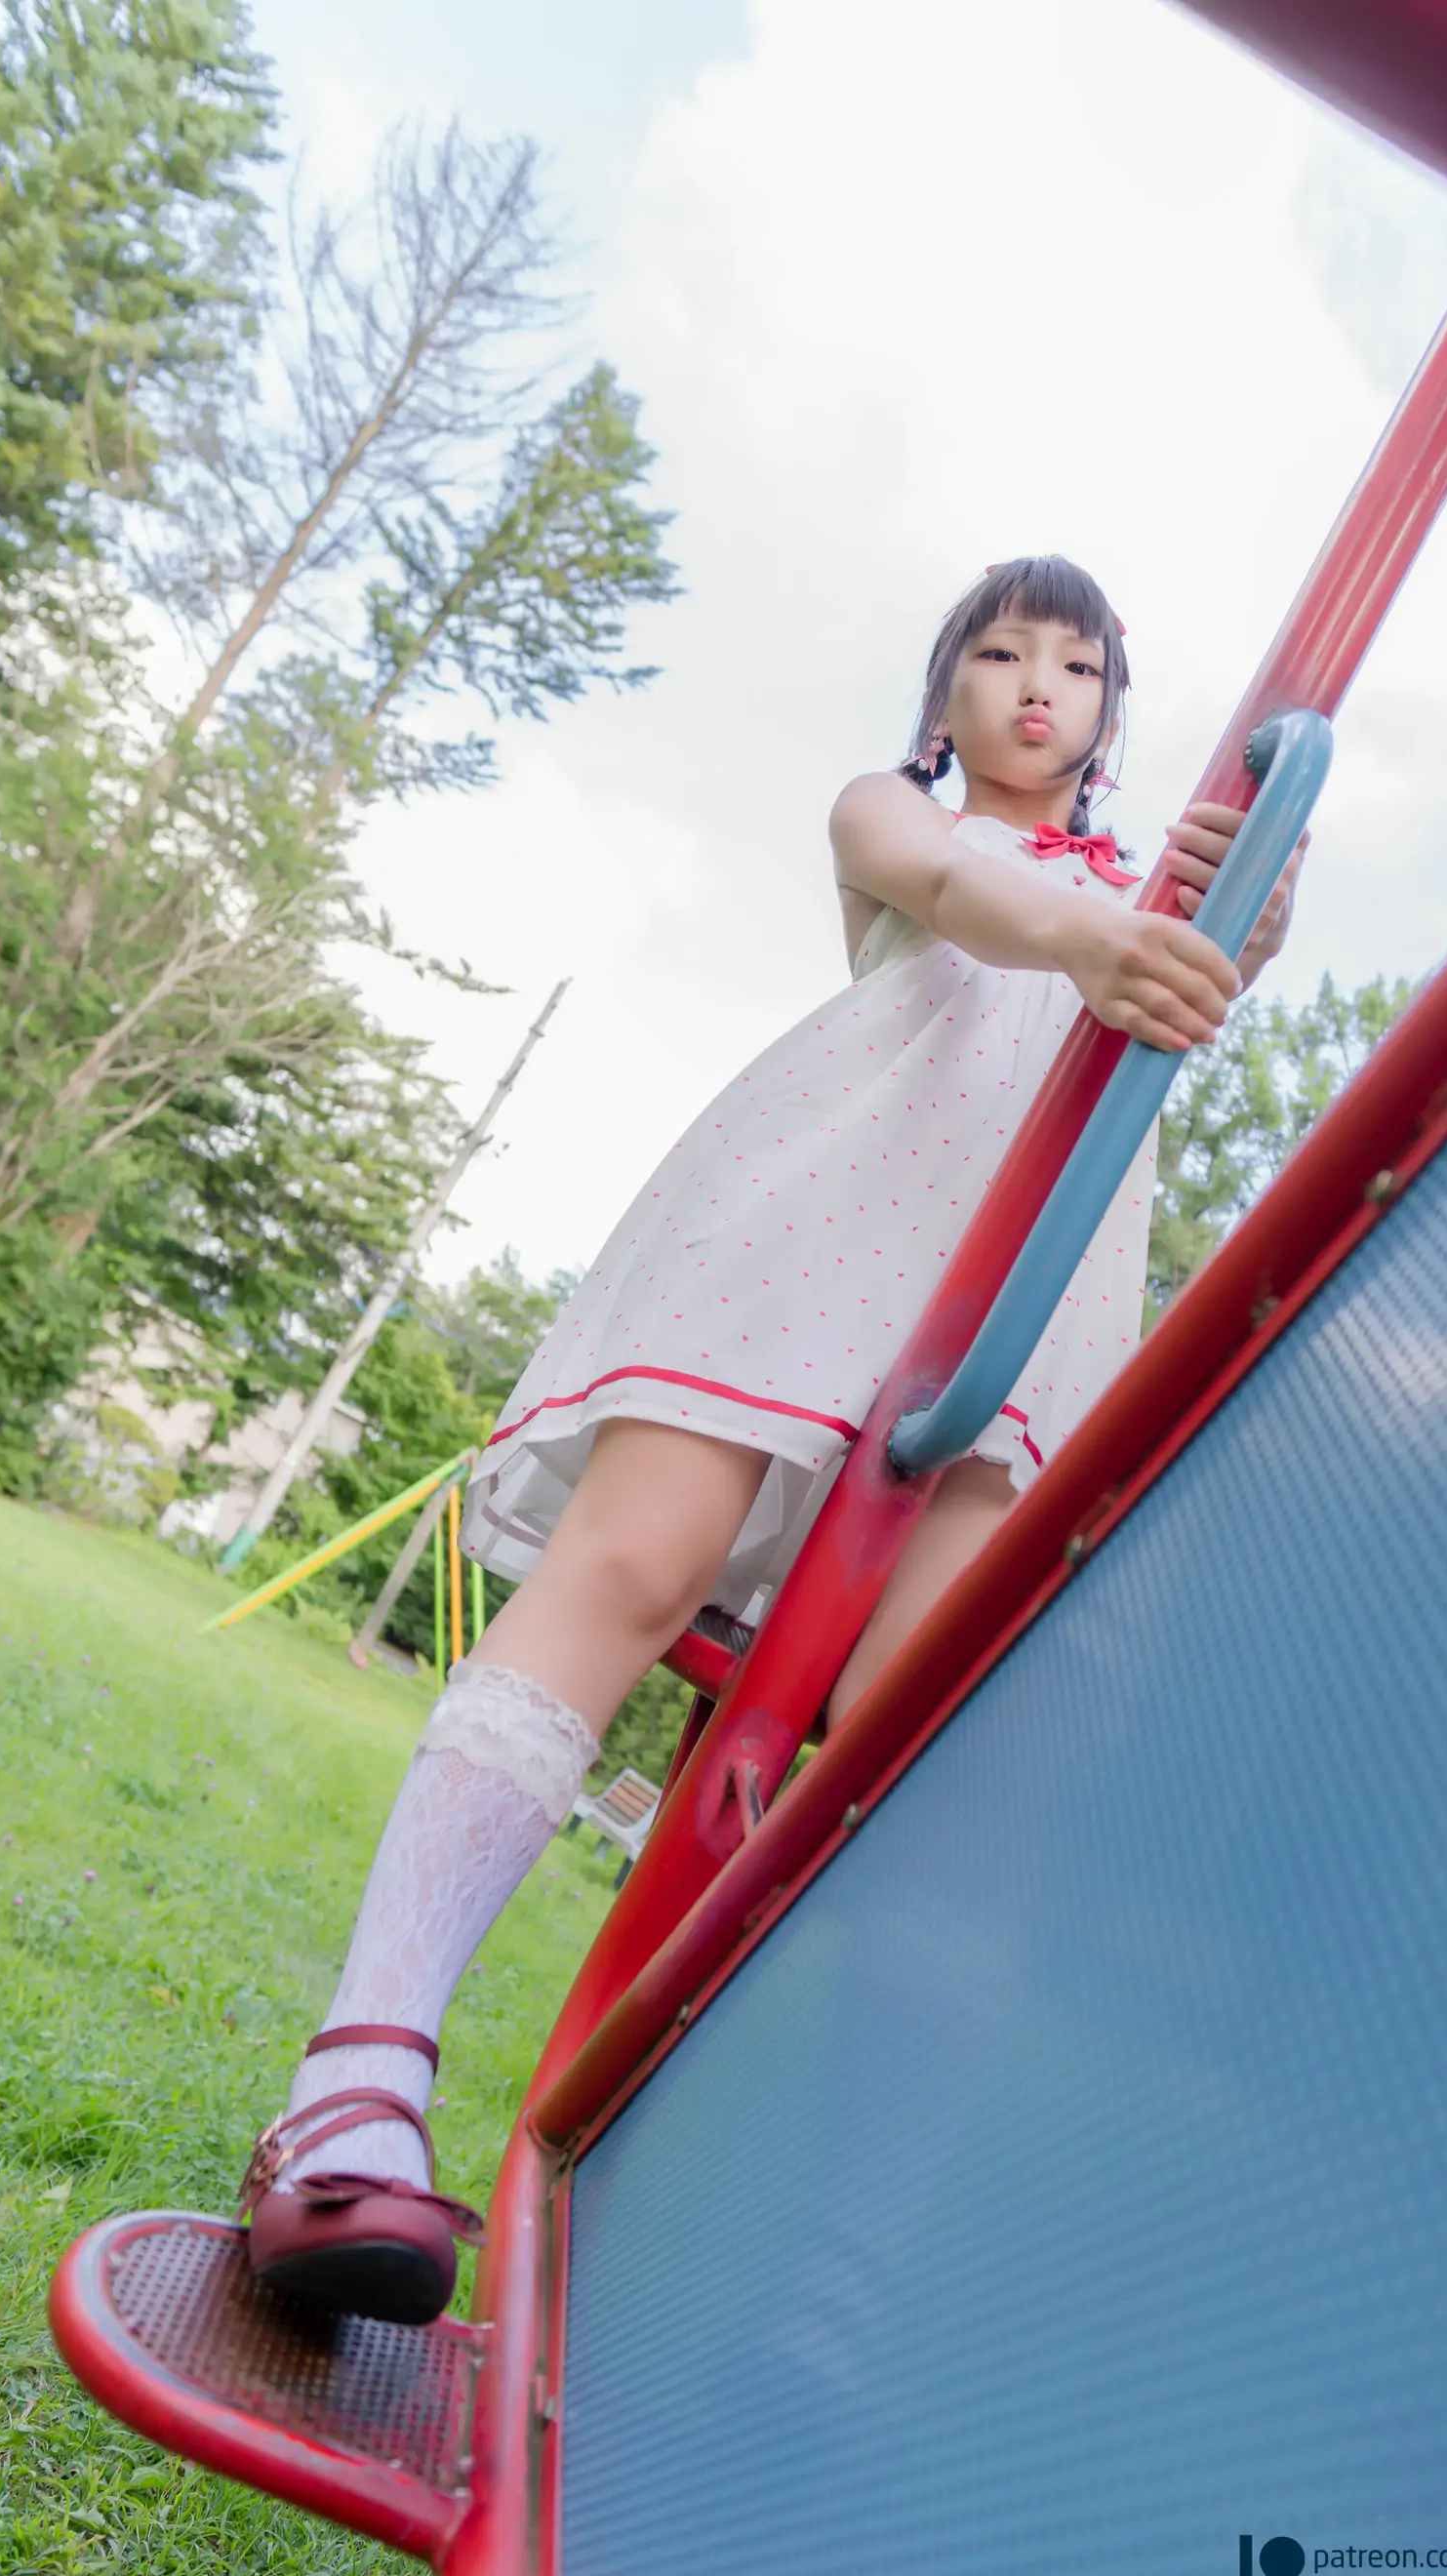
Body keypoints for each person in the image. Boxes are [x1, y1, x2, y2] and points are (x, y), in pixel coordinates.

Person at [235, 555, 1304, 2323]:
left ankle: (839, 2271)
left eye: (1075, 664)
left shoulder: (1142, 897)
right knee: (633, 1563)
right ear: (945, 692)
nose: (1036, 684)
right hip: (811, 1247)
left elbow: (1217, 965)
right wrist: (1093, 941)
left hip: (1017, 1326)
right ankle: (357, 2079)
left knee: (934, 1763)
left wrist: (1244, 902)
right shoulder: (897, 814)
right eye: (997, 651)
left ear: (1112, 714)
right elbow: (948, 886)